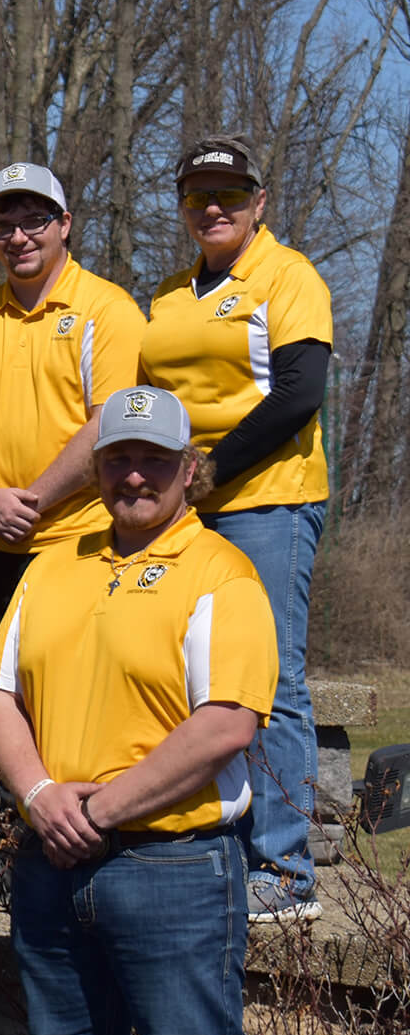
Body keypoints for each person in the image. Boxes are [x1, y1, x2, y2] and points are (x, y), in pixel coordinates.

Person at [0, 385, 280, 1035]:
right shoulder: (52, 565)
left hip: (171, 868)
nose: (136, 474)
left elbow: (226, 721)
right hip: (51, 863)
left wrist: (100, 807)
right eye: (119, 457)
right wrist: (41, 797)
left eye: (156, 459)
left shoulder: (222, 571)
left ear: (191, 471)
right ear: (98, 467)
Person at [142, 135, 333, 922]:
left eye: (228, 193)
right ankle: (221, 846)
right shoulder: (167, 294)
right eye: (196, 196)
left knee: (271, 680)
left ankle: (286, 872)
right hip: (187, 510)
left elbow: (299, 393)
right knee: (200, 681)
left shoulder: (288, 277)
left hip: (268, 500)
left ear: (260, 202)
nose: (212, 207)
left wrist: (215, 465)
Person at [0, 161, 144, 667]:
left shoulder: (107, 310)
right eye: (3, 226)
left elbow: (107, 425)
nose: (19, 238)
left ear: (64, 224)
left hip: (82, 540)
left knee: (77, 695)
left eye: (34, 221)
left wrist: (32, 503)